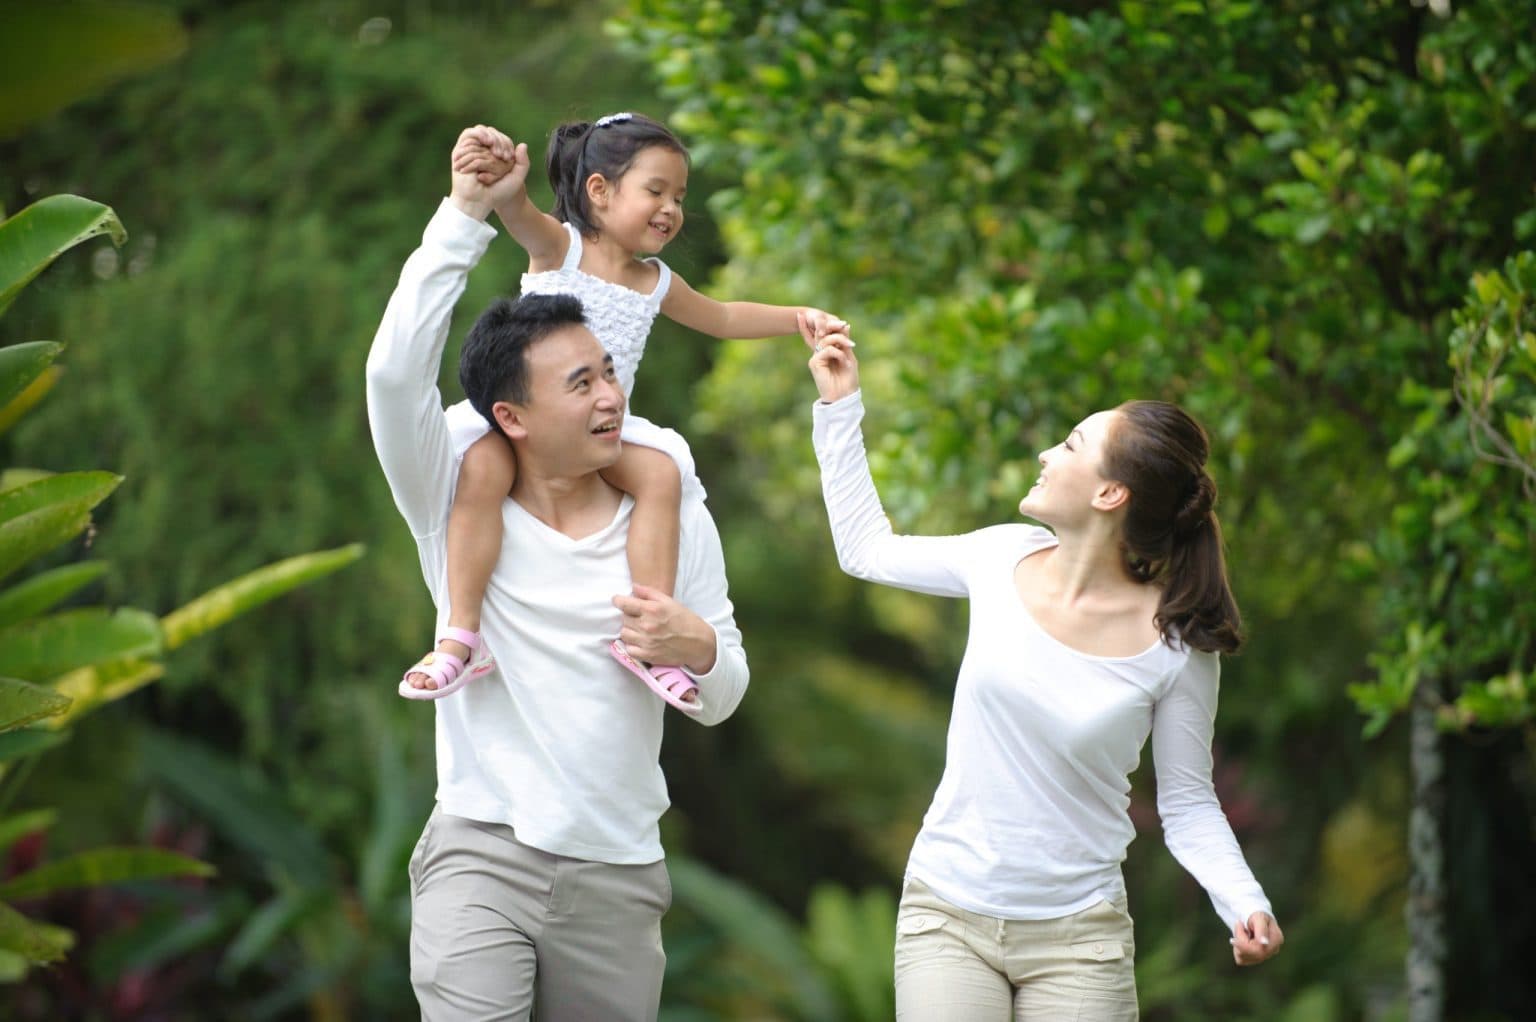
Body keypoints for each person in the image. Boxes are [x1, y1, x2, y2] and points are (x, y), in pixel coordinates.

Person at [365, 126, 750, 1019]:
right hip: (478, 851)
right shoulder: (455, 475)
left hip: (618, 873)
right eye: (580, 384)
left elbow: (725, 687)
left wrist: (694, 646)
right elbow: (394, 375)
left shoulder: (666, 482)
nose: (612, 397)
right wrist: (465, 212)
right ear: (514, 415)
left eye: (610, 373)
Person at [801, 322, 1283, 1020]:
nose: (1046, 452)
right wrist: (842, 407)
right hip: (948, 915)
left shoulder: (1177, 645)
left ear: (1109, 495)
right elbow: (867, 550)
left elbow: (1186, 804)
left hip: (1079, 941)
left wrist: (1245, 902)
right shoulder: (1002, 558)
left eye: (1071, 445)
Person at [399, 115, 840, 710]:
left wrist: (797, 319)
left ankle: (646, 635)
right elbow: (521, 219)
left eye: (679, 197)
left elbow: (725, 317)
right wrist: (505, 193)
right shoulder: (564, 245)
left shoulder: (656, 280)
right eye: (655, 191)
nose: (671, 208)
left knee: (660, 473)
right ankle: (461, 634)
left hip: (602, 430)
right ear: (600, 191)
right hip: (532, 419)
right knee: (481, 470)